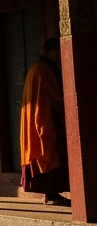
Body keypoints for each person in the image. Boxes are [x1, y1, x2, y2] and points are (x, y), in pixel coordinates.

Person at [21, 38, 70, 207]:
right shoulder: (43, 70)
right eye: (59, 50)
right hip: (45, 118)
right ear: (50, 52)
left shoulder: (37, 69)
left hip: (38, 117)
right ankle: (52, 194)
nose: (62, 54)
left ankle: (52, 194)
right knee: (50, 153)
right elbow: (54, 97)